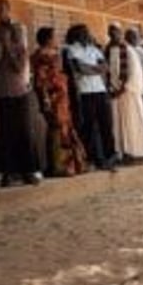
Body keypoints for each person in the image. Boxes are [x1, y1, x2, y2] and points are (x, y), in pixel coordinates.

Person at [0, 0, 40, 186]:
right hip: (1, 91)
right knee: (4, 133)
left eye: (3, 8)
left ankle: (29, 171)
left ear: (9, 10)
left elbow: (19, 66)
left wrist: (7, 47)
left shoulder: (20, 33)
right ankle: (6, 174)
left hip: (20, 90)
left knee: (25, 131)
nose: (0, 12)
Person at [30, 28, 88, 176]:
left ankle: (68, 164)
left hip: (61, 96)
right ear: (48, 40)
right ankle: (59, 166)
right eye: (55, 37)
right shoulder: (41, 56)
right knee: (57, 128)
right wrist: (45, 98)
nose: (57, 40)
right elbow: (40, 79)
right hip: (52, 96)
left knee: (64, 127)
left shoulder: (54, 54)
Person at [65, 24, 117, 170]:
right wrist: (95, 69)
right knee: (88, 126)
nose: (89, 34)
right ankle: (90, 158)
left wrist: (91, 69)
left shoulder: (94, 49)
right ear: (78, 34)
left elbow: (105, 67)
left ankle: (110, 156)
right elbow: (79, 69)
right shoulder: (71, 49)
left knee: (106, 124)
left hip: (100, 90)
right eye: (86, 32)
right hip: (84, 91)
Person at [109, 26, 143, 162]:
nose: (113, 37)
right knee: (121, 125)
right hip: (117, 95)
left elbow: (135, 73)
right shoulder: (112, 50)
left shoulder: (127, 50)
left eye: (115, 34)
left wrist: (123, 89)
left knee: (137, 122)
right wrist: (113, 90)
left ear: (120, 35)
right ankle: (127, 153)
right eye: (110, 35)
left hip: (129, 92)